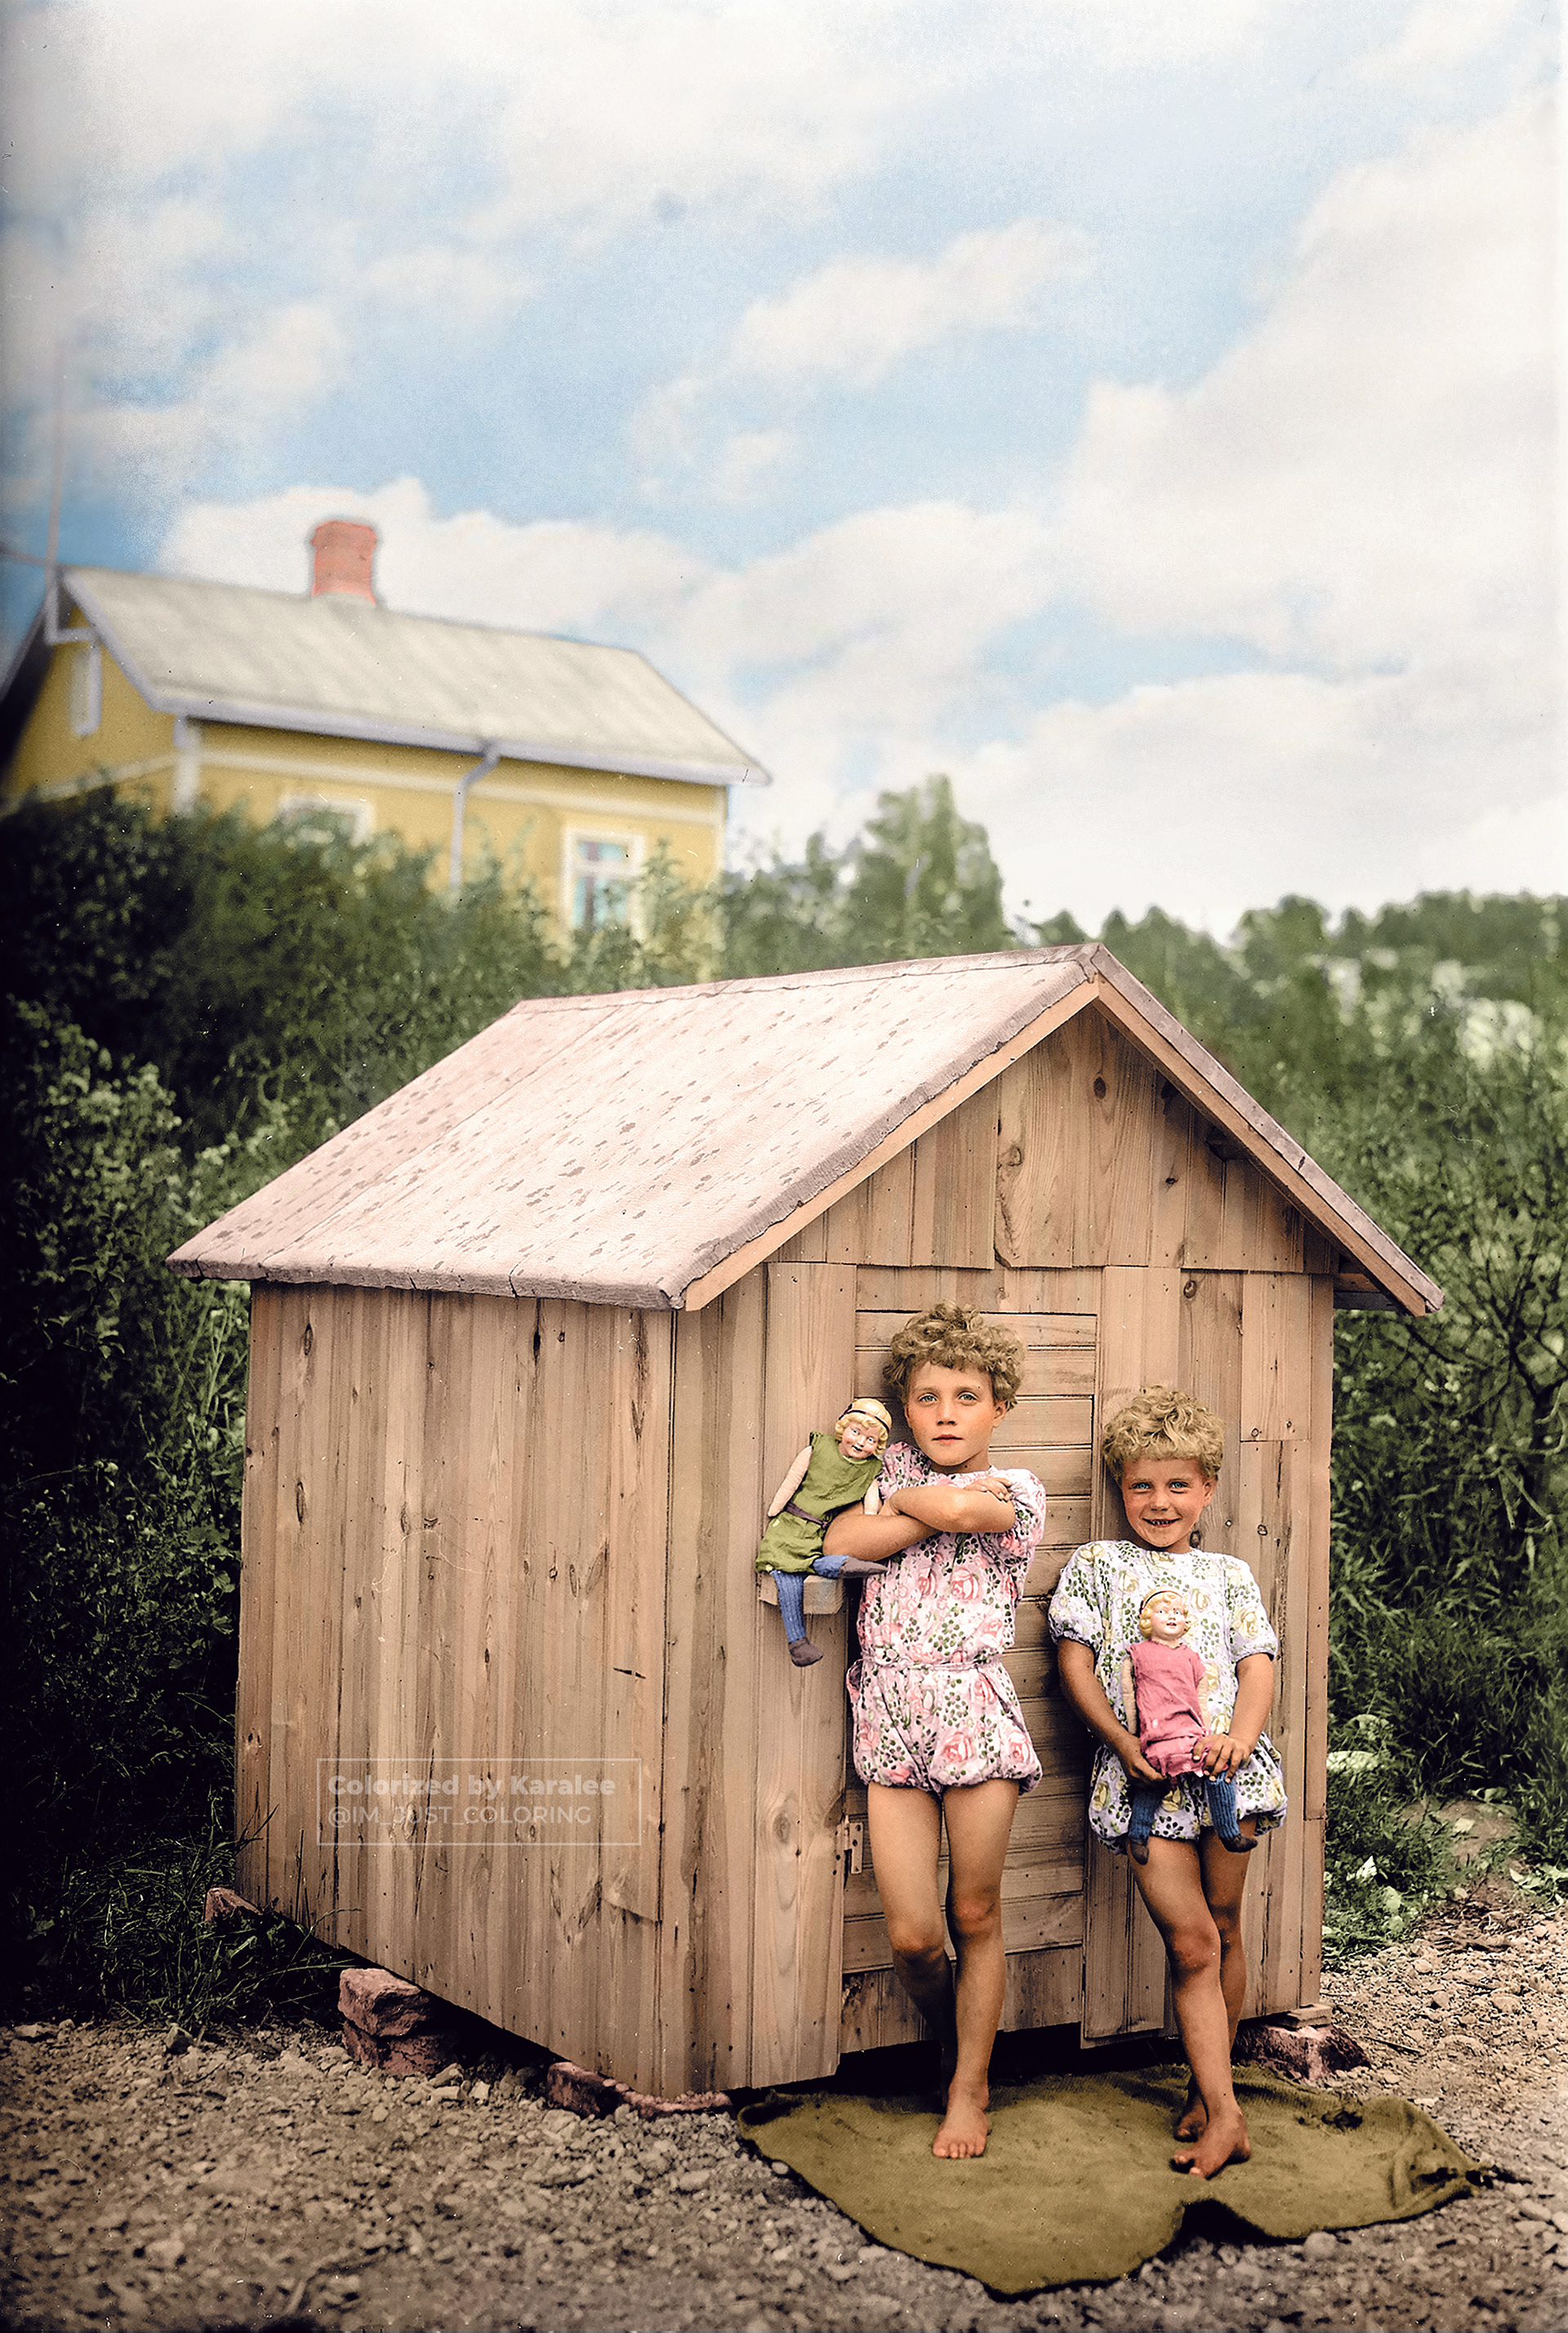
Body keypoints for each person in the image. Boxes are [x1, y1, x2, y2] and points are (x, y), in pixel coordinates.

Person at [822, 1303, 1045, 2161]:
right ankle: (954, 2037)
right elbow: (840, 1540)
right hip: (888, 1714)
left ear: (999, 1408)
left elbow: (967, 1518)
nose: (947, 1411)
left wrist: (902, 1502)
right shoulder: (889, 1470)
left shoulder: (1017, 1491)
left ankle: (969, 2085)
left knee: (973, 1909)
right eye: (927, 1396)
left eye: (967, 1395)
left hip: (972, 1714)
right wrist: (921, 1501)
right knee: (915, 1934)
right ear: (907, 1408)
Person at [1049, 1385, 1286, 2179]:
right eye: (1142, 1483)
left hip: (1227, 1775)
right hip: (1145, 1780)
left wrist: (1238, 1739)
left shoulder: (1228, 1574)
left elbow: (1258, 1665)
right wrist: (1119, 1740)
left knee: (1224, 1925)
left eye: (1178, 1483)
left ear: (1207, 1488)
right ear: (1122, 1486)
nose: (1159, 1500)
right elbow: (1075, 1661)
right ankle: (1227, 2117)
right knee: (1190, 1942)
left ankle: (1207, 2088)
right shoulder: (1099, 1566)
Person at [755, 1398, 895, 1667]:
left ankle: (845, 1567)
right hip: (791, 1526)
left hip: (819, 1532)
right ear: (843, 1429)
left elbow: (870, 1507)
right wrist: (776, 1508)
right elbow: (792, 1480)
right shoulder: (817, 1450)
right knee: (790, 1574)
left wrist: (867, 1529)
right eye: (856, 1432)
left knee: (804, 1565)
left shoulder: (869, 1472)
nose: (860, 1442)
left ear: (876, 1446)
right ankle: (800, 1639)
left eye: (869, 1440)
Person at [1121, 1587, 1256, 1863]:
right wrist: (1134, 1733)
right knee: (1152, 1783)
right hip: (1158, 1734)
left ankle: (1228, 1832)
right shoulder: (1138, 1654)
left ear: (1186, 1621)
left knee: (1217, 1769)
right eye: (1162, 1612)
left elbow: (1201, 1698)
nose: (1171, 1617)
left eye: (1178, 1613)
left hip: (1191, 1735)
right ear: (1147, 1618)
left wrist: (1204, 1732)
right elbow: (1128, 1695)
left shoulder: (1192, 1657)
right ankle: (1138, 1834)